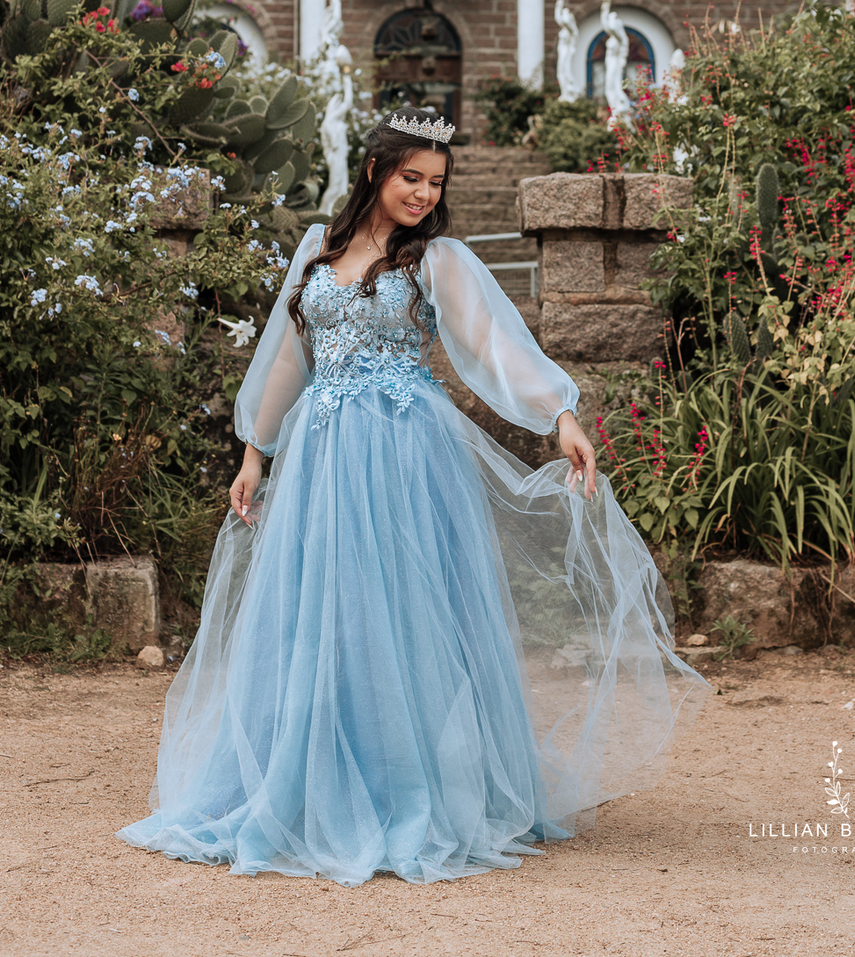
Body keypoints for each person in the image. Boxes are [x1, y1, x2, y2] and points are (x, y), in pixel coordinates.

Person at [118, 111, 709, 885]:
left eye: (436, 183)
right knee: (322, 613)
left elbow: (496, 345)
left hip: (406, 457)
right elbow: (288, 357)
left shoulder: (438, 259)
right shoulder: (316, 251)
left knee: (403, 615)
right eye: (412, 178)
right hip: (325, 462)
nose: (425, 194)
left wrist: (560, 413)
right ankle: (313, 780)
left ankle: (413, 785)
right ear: (375, 171)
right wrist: (256, 451)